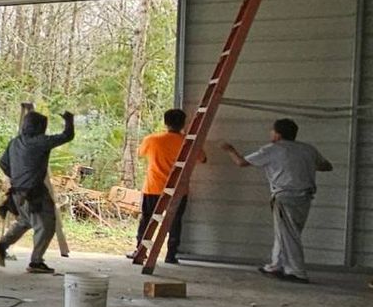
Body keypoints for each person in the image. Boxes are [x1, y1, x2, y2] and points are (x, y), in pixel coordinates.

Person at [221, 118, 331, 283]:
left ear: (278, 134)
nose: (270, 133)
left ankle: (297, 271)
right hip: (305, 197)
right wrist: (302, 166)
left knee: (289, 234)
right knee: (285, 232)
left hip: (285, 196)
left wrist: (229, 150)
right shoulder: (307, 150)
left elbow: (241, 162)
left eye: (272, 131)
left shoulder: (273, 149)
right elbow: (326, 166)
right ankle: (275, 265)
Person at [0, 105, 75, 273]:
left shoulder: (15, 142)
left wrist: (17, 176)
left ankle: (1, 247)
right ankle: (36, 262)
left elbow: (3, 163)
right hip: (34, 192)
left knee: (25, 222)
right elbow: (67, 136)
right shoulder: (39, 142)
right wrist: (69, 120)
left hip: (17, 192)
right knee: (47, 225)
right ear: (39, 127)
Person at [128, 108, 197, 264]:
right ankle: (171, 255)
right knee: (175, 221)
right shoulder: (188, 142)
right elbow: (202, 158)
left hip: (153, 188)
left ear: (166, 123)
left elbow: (140, 153)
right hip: (178, 190)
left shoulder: (152, 140)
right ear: (183, 123)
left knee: (147, 220)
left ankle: (140, 251)